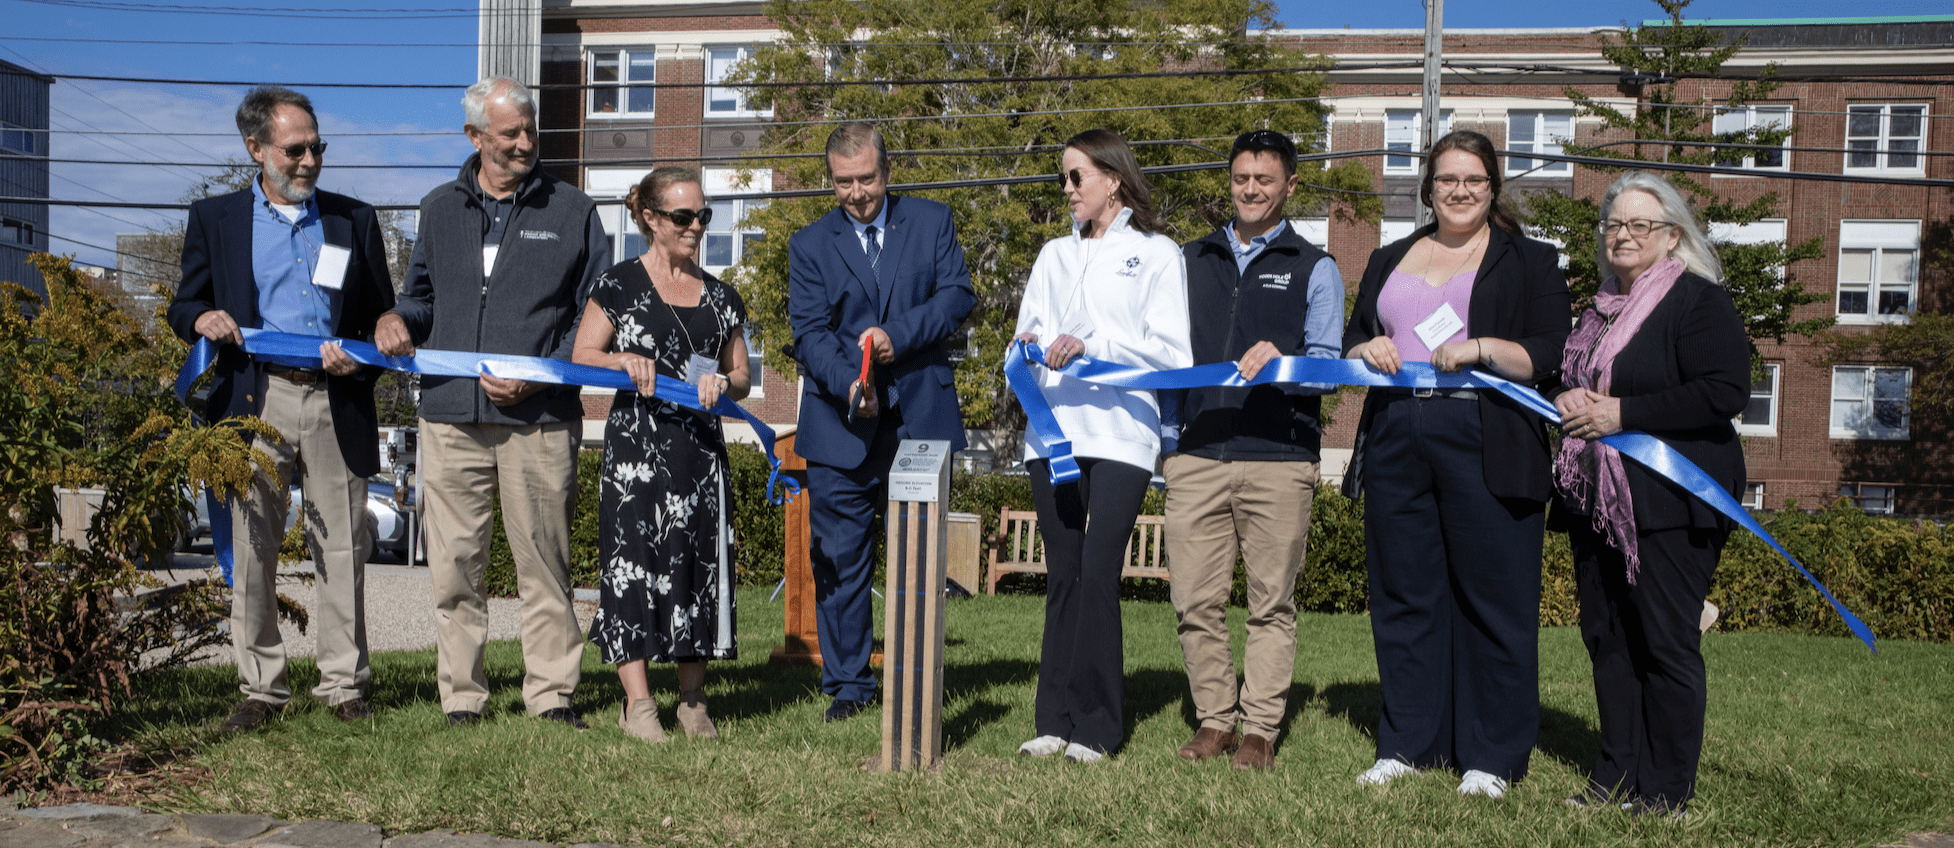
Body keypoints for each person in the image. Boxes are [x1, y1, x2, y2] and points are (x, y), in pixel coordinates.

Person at [374, 77, 610, 730]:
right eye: (510, 134)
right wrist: (397, 319)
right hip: (450, 416)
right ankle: (463, 699)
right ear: (476, 137)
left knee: (545, 564)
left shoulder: (572, 211)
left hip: (539, 419)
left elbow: (597, 314)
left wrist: (540, 376)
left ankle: (552, 696)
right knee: (453, 567)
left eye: (530, 130)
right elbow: (420, 298)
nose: (526, 143)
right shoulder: (436, 207)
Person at [1342, 129, 1570, 797]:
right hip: (1395, 434)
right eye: (1447, 179)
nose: (1460, 190)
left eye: (1473, 179)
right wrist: (1366, 351)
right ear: (1428, 187)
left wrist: (1482, 349)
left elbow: (1551, 351)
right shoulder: (1389, 256)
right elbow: (1357, 335)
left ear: (1494, 186)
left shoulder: (1528, 260)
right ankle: (1408, 744)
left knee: (1493, 601)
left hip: (1487, 434)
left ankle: (1490, 758)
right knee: (1405, 596)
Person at [167, 85, 396, 730]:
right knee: (253, 544)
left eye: (317, 147)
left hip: (335, 399)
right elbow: (183, 306)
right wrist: (202, 317)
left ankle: (345, 685)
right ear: (256, 149)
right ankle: (261, 689)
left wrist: (376, 343)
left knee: (344, 543)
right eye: (294, 149)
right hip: (253, 399)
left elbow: (384, 312)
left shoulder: (355, 219)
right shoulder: (214, 219)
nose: (309, 161)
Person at [1551, 172, 1748, 818]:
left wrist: (1621, 413)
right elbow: (1577, 379)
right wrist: (1570, 397)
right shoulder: (1598, 308)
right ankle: (1616, 775)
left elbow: (1723, 392)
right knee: (1608, 640)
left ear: (1672, 236)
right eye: (1614, 224)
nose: (1624, 235)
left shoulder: (1697, 302)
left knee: (1664, 645)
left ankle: (1666, 794)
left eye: (1640, 225)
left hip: (1670, 500)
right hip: (1597, 502)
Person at [1166, 129, 1344, 770]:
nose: (1250, 190)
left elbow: (1328, 371)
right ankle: (1215, 720)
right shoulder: (1190, 259)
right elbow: (1165, 359)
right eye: (1241, 178)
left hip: (1280, 456)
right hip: (1197, 455)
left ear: (1290, 186)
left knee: (1271, 603)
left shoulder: (1316, 266)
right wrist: (1168, 444)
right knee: (1193, 600)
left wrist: (1285, 362)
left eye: (1265, 180)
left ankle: (1260, 730)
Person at [787, 122, 975, 723]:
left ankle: (917, 674)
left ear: (887, 172)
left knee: (918, 559)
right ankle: (848, 684)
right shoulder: (809, 245)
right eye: (844, 183)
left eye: (866, 179)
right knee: (839, 560)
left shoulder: (932, 221)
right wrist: (853, 383)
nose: (857, 193)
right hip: (839, 422)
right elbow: (809, 334)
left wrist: (894, 339)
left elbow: (956, 297)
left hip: (918, 416)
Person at [1013, 128, 1191, 763]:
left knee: (1097, 573)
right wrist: (1031, 346)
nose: (1066, 190)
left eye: (1076, 177)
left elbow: (1173, 354)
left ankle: (1097, 726)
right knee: (1062, 573)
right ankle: (1052, 720)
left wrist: (1096, 348)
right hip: (1052, 434)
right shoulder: (1051, 257)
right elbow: (1023, 338)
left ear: (1113, 179)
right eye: (1061, 178)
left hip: (1122, 435)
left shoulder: (1159, 253)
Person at [572, 167, 750, 742]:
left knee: (696, 571)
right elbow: (580, 355)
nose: (696, 226)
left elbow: (743, 373)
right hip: (635, 457)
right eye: (684, 217)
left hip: (699, 457)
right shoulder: (618, 286)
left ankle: (693, 700)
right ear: (650, 219)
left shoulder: (723, 298)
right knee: (634, 571)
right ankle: (640, 705)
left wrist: (726, 383)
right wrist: (622, 360)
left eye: (704, 215)